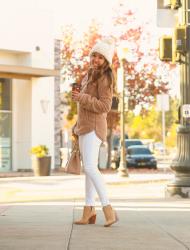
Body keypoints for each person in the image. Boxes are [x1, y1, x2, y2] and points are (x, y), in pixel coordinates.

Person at [72, 38, 118, 227]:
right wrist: (76, 126)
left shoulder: (105, 78)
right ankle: (88, 211)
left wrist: (82, 97)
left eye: (100, 57)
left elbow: (105, 106)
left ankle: (108, 209)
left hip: (94, 128)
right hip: (83, 127)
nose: (96, 60)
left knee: (91, 167)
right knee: (88, 170)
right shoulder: (88, 75)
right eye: (94, 56)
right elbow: (82, 105)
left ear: (106, 61)